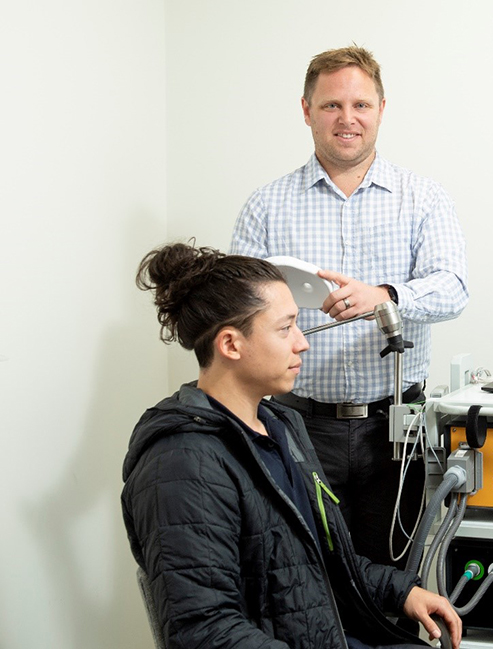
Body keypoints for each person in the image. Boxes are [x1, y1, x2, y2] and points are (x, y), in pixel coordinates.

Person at [121, 242, 462, 649]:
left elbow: (322, 560)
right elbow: (205, 632)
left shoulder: (281, 424)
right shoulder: (181, 465)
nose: (302, 343)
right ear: (231, 344)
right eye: (285, 329)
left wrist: (401, 590)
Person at [230, 45, 469, 567]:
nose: (347, 118)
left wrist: (384, 296)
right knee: (298, 574)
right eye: (332, 105)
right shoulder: (266, 205)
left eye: (360, 105)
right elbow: (233, 309)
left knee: (390, 577)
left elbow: (452, 287)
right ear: (307, 110)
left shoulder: (423, 198)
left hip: (394, 432)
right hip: (294, 426)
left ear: (382, 109)